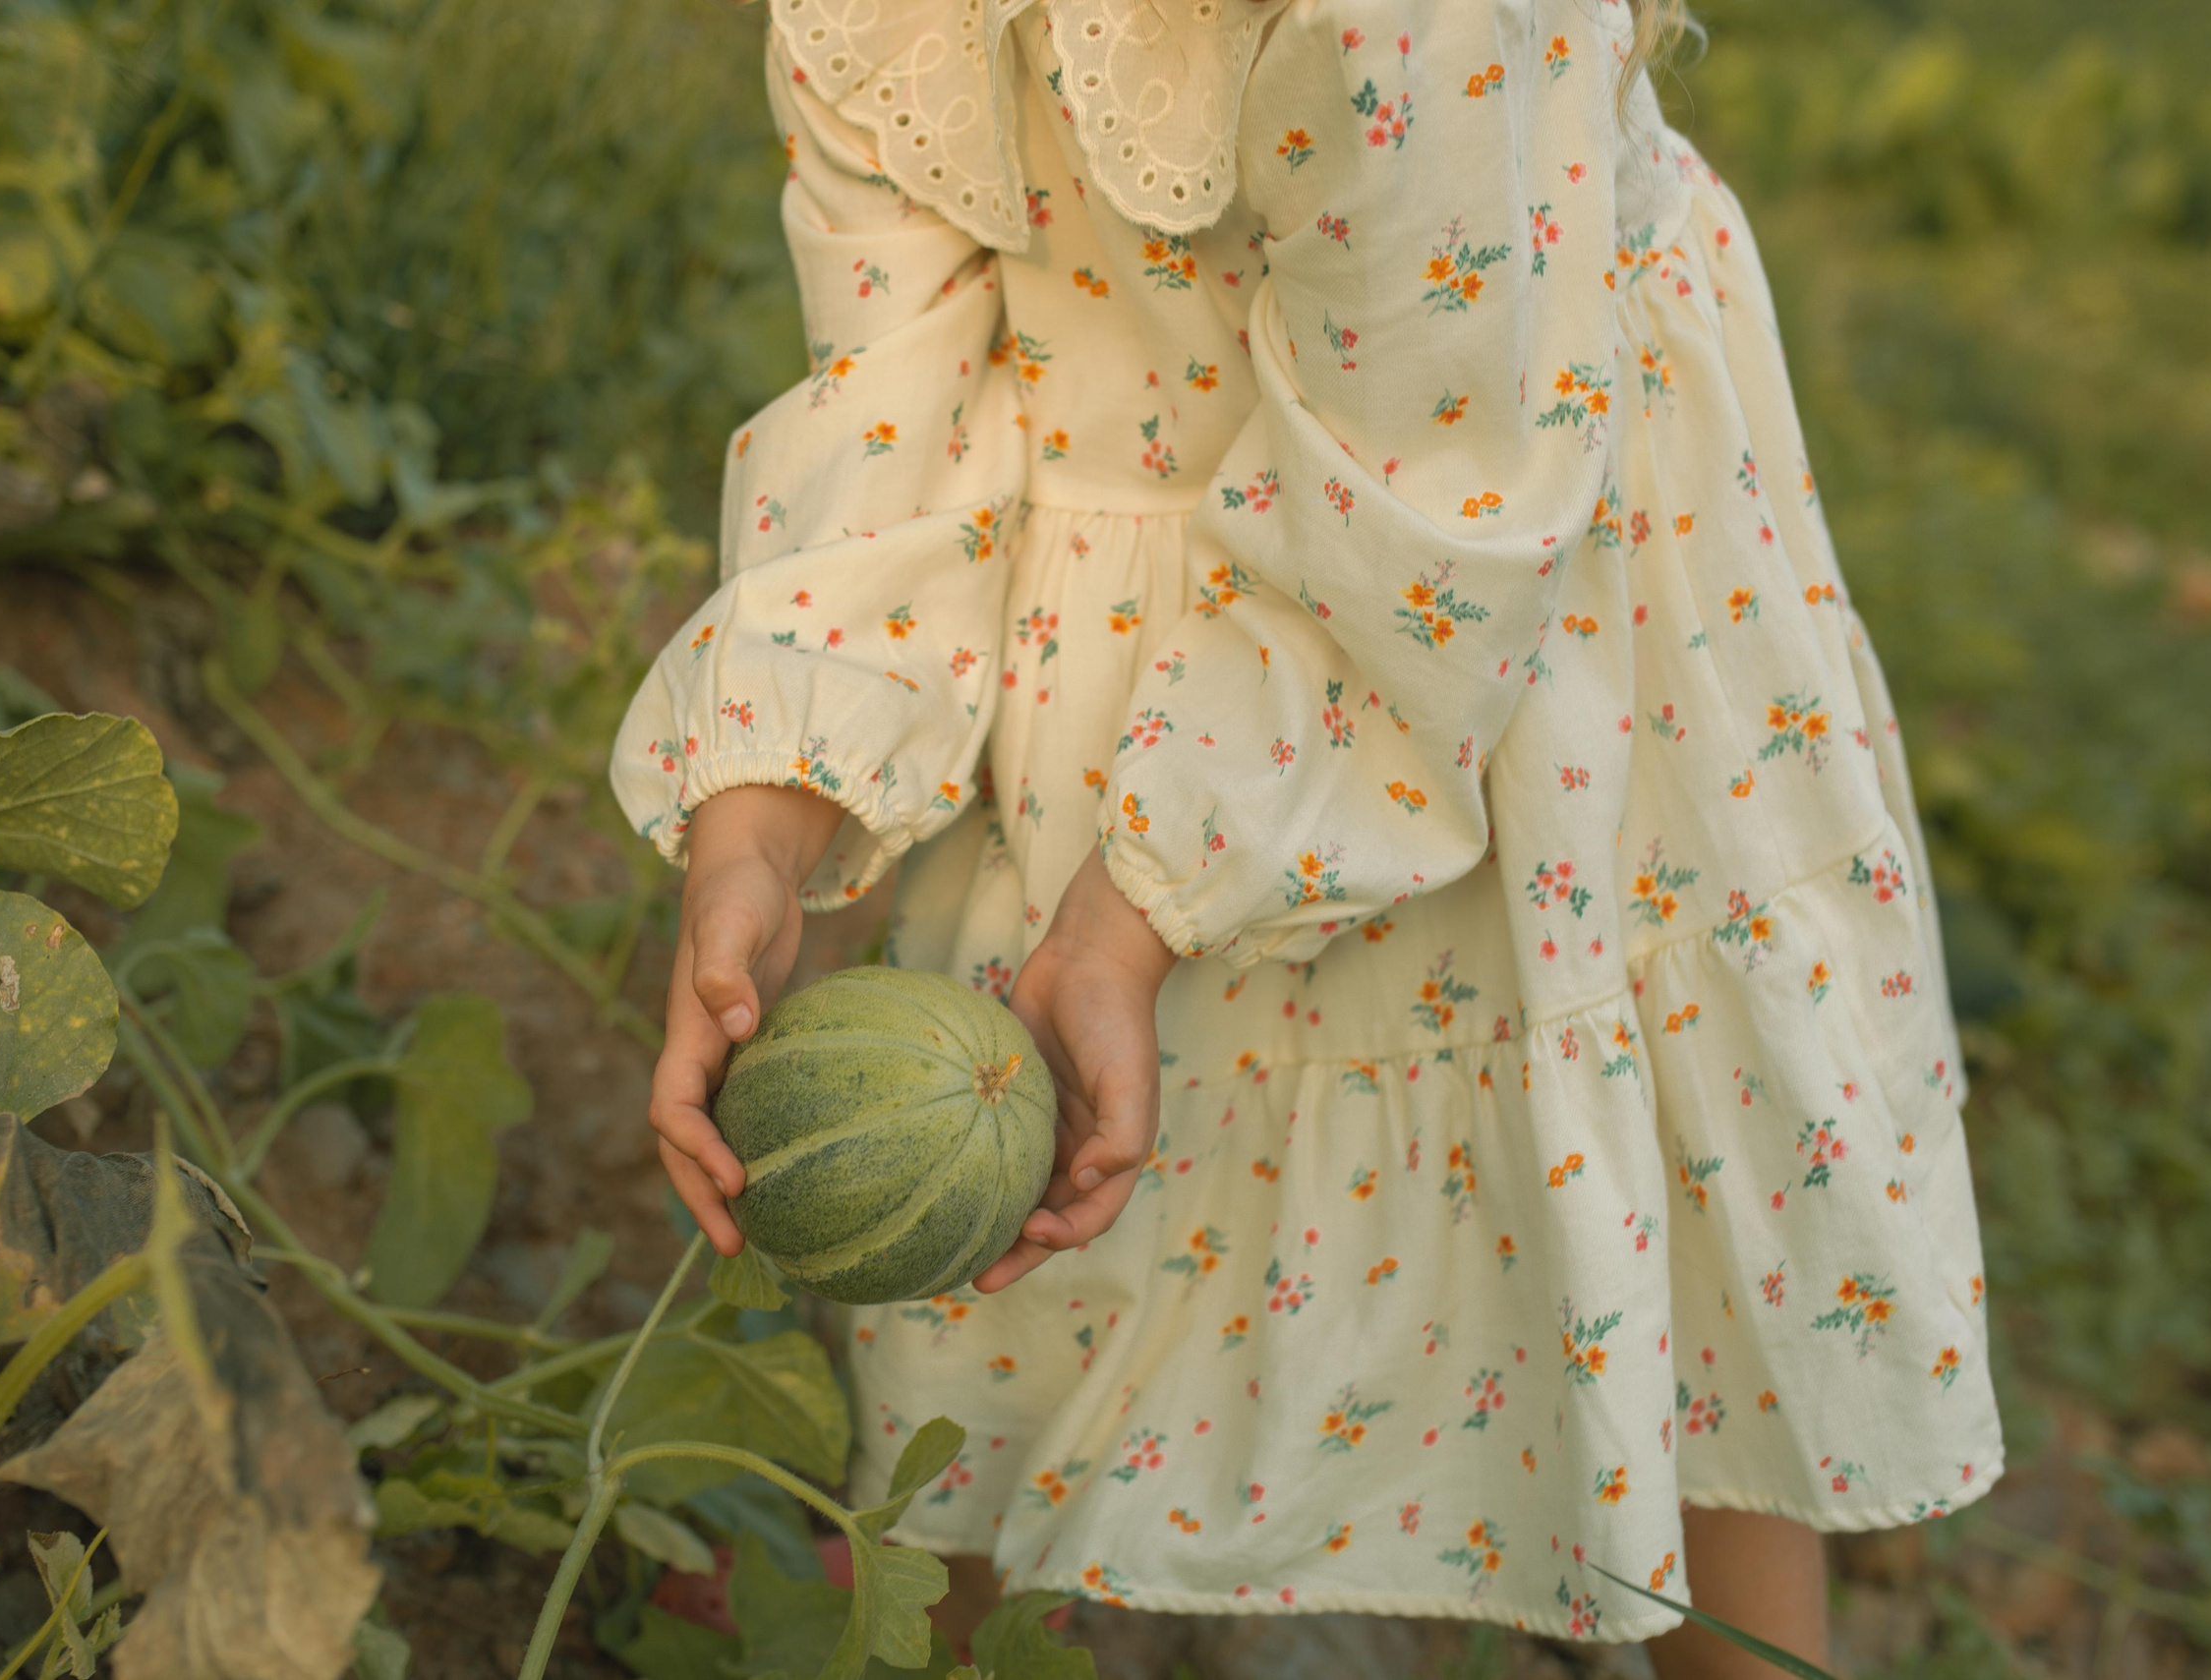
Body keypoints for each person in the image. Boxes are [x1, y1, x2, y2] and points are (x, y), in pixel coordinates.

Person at [612, 0, 2003, 1669]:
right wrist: (761, 814)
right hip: (1116, 593)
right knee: (1018, 1185)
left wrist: (1137, 907)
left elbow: (1443, 479)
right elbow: (892, 389)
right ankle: (932, 1621)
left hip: (1513, 579)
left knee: (1655, 1210)